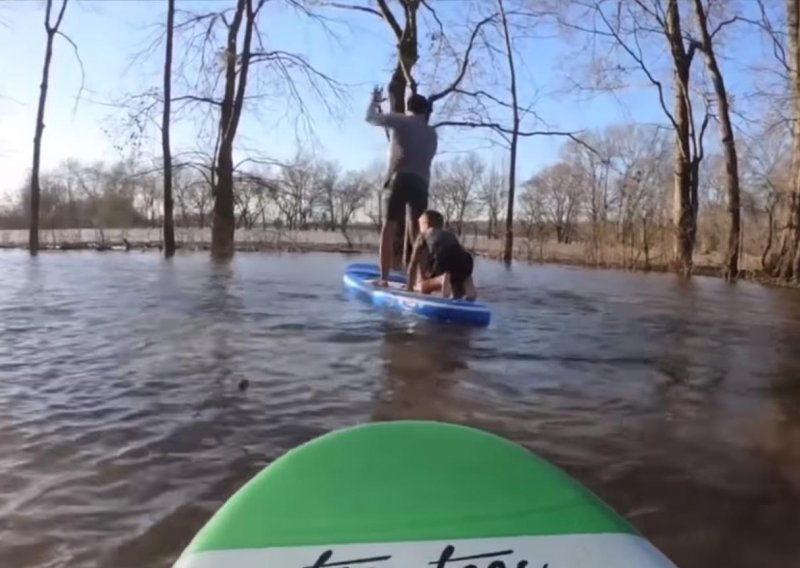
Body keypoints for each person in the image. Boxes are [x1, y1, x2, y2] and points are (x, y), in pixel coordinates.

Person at [365, 86, 438, 286]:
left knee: (388, 228)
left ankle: (384, 279)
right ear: (425, 112)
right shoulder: (432, 133)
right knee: (419, 234)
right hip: (421, 184)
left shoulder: (400, 120)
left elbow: (370, 118)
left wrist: (375, 101)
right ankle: (420, 280)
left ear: (408, 108)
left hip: (400, 178)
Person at [406, 210, 478, 301]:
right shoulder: (449, 235)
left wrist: (409, 287)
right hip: (466, 259)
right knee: (460, 282)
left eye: (420, 224)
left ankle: (441, 279)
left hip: (444, 257)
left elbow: (413, 263)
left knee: (423, 286)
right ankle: (470, 289)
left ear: (426, 224)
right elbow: (459, 252)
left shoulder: (423, 235)